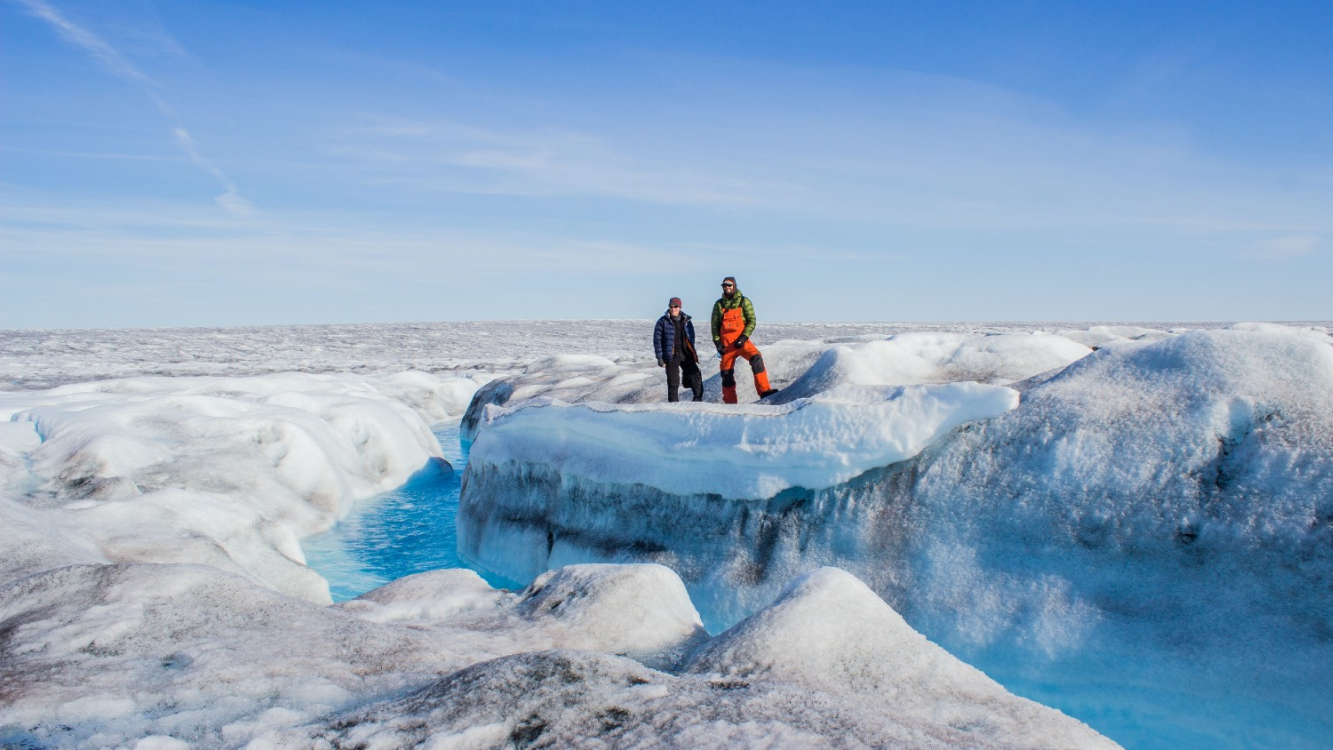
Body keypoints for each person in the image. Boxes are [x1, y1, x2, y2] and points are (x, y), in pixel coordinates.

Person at [710, 276, 778, 404]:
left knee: (756, 359)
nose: (727, 288)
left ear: (734, 286)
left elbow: (751, 321)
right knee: (726, 374)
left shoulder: (744, 302)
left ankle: (764, 391)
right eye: (725, 286)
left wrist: (743, 337)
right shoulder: (719, 305)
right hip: (726, 346)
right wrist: (717, 342)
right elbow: (714, 325)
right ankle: (730, 403)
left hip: (742, 342)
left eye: (729, 285)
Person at [653, 297, 704, 402]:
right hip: (671, 355)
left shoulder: (687, 321)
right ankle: (673, 407)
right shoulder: (662, 321)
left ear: (680, 307)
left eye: (675, 306)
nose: (673, 309)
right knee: (673, 382)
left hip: (686, 353)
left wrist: (692, 352)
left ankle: (698, 400)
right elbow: (657, 340)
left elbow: (691, 338)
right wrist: (659, 358)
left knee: (696, 375)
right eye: (671, 307)